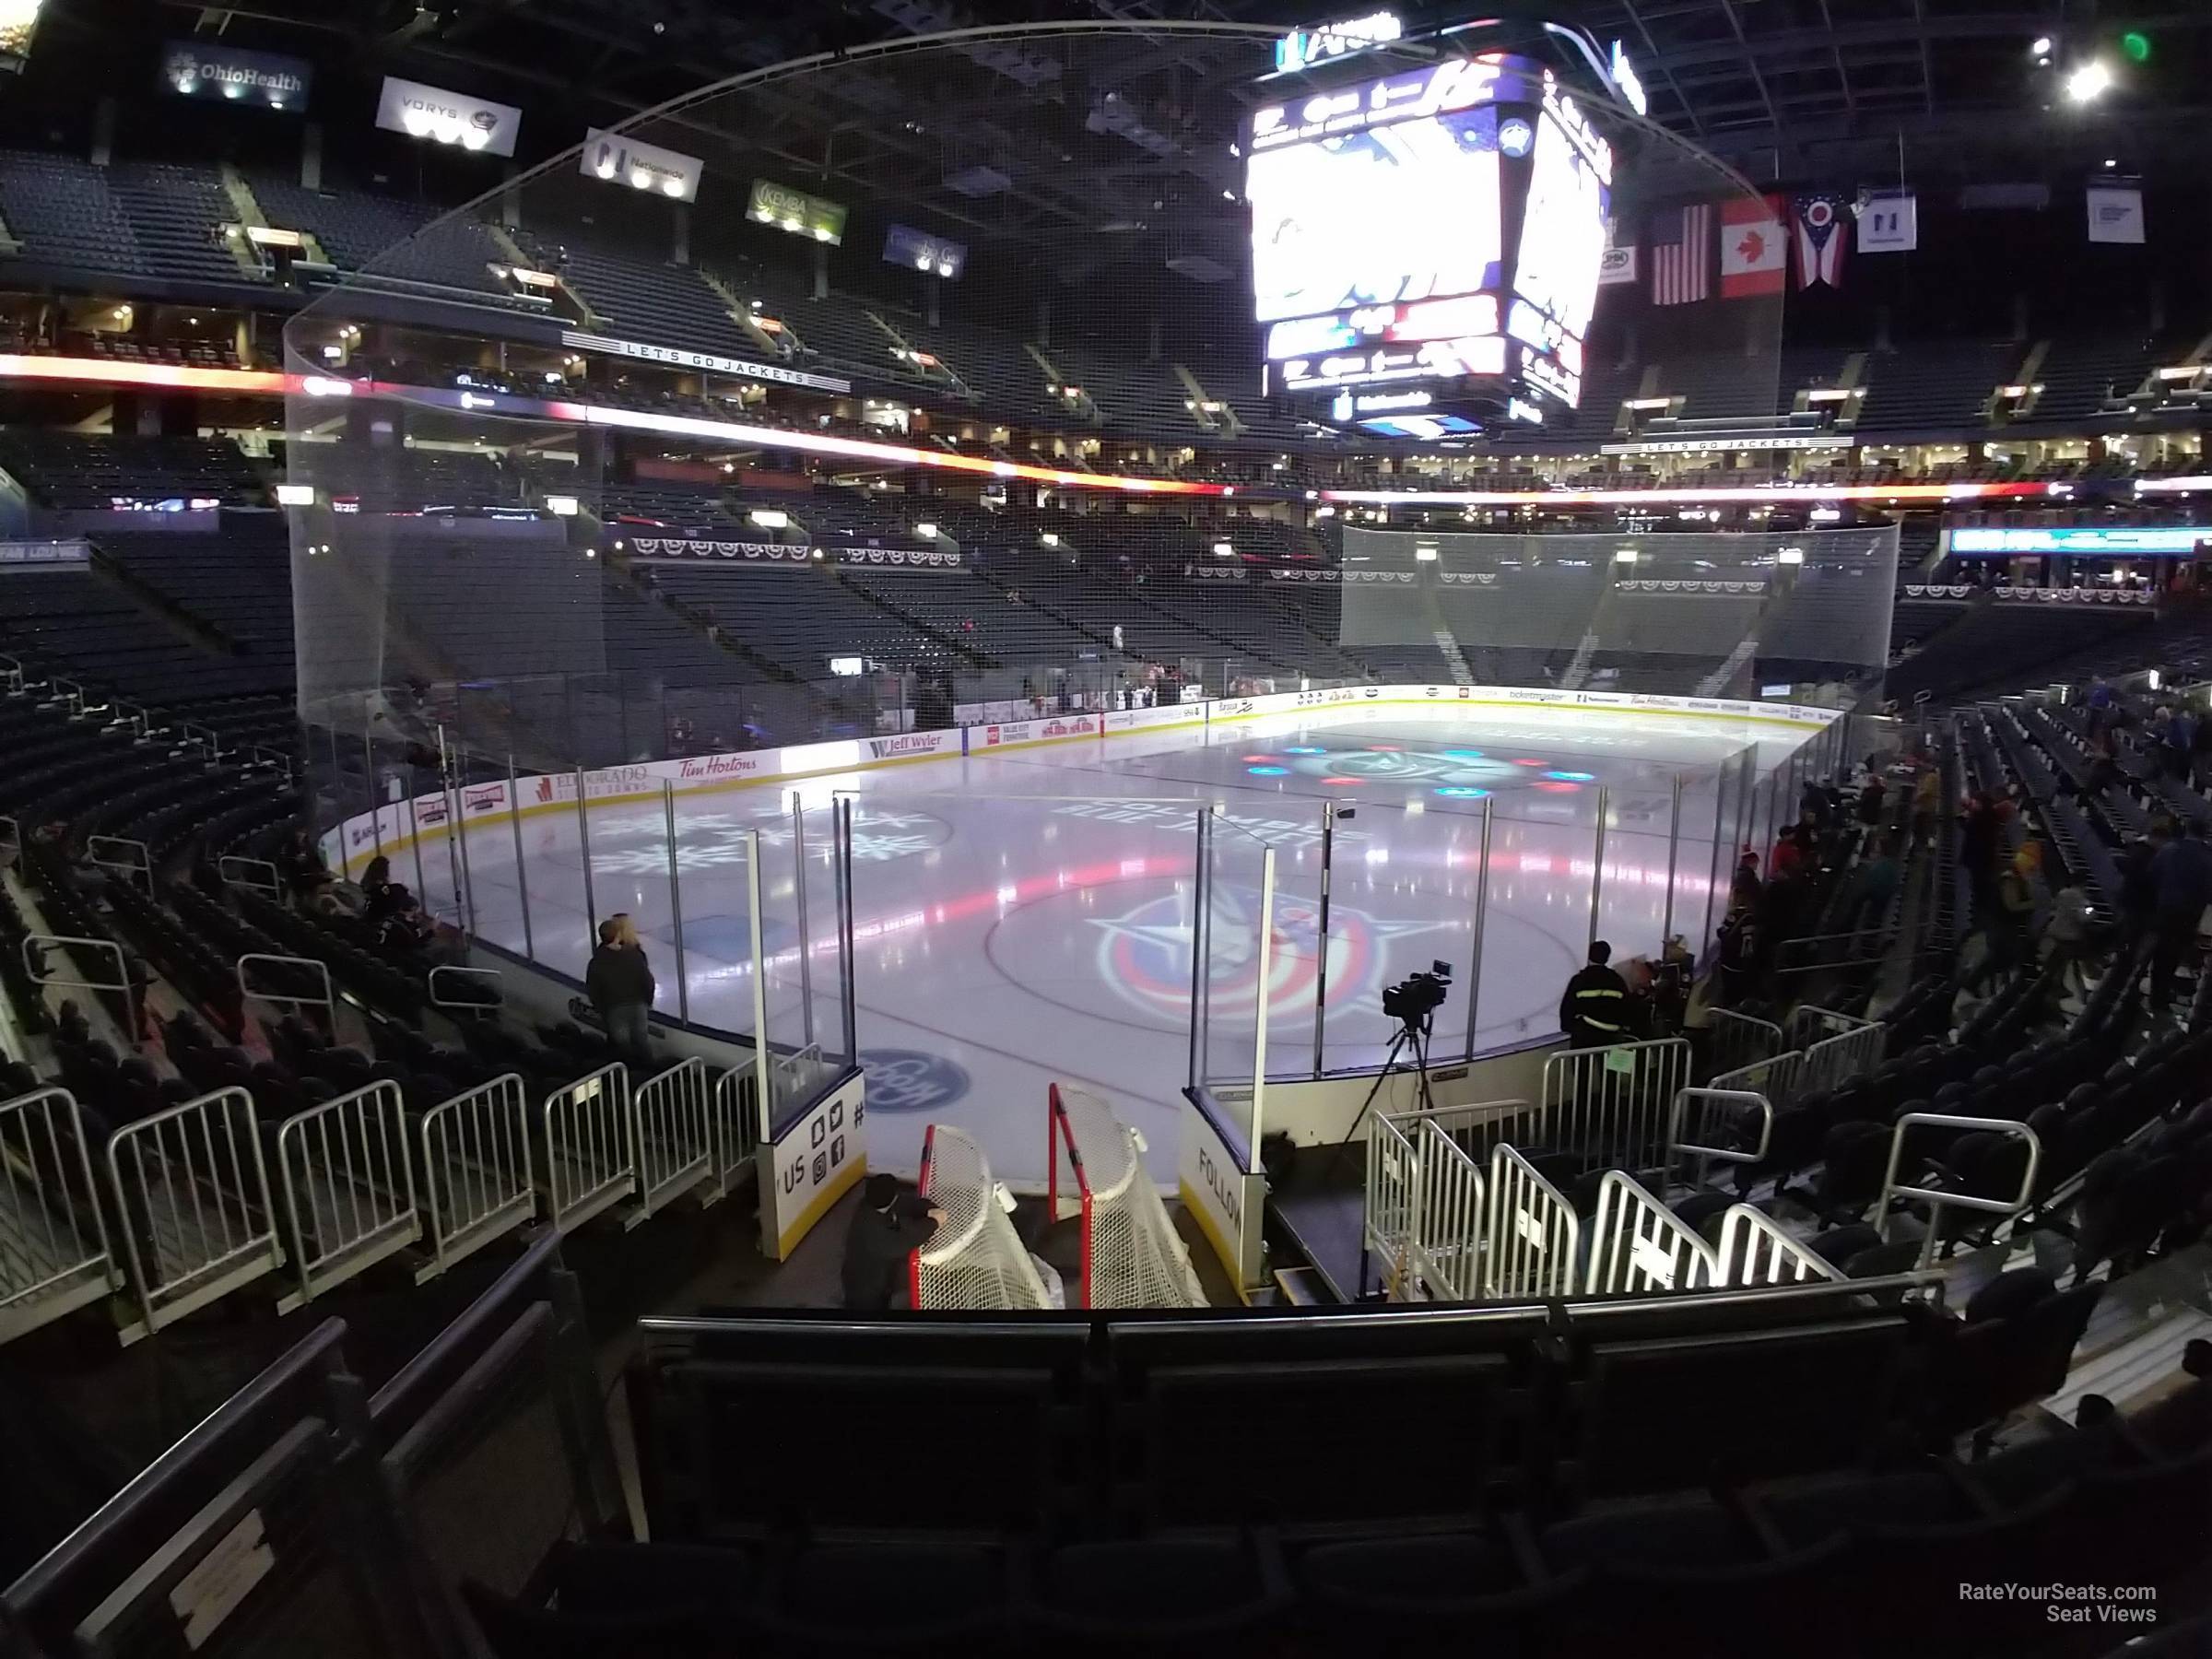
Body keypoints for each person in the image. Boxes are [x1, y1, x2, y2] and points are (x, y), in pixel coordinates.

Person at [841, 1173, 945, 1311]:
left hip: (874, 1278)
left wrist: (930, 1210)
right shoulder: (872, 1232)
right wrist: (933, 1222)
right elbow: (904, 1242)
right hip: (865, 1290)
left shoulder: (870, 1204)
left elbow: (906, 1204)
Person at [2148, 818, 2212, 1012]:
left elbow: (2152, 875)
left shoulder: (2169, 849)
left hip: (2165, 909)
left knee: (2161, 953)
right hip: (2189, 913)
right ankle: (2162, 996)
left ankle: (2156, 994)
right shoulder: (2206, 857)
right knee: (2174, 955)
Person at [586, 913, 656, 1059]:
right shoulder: (634, 956)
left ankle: (628, 1072)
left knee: (622, 1047)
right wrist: (647, 1001)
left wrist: (602, 1009)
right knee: (641, 1043)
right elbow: (648, 981)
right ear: (618, 935)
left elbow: (593, 989)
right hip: (637, 1005)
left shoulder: (597, 961)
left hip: (614, 1008)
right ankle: (646, 1070)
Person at [1559, 940, 1635, 1050]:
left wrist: (1570, 1027)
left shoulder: (1580, 980)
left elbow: (1567, 1007)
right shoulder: (1617, 980)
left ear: (1589, 955)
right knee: (1611, 1067)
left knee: (1581, 1065)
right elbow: (1627, 1005)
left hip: (1585, 1034)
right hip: (1612, 1035)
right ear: (1607, 957)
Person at [2041, 876, 2098, 1001]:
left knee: (2060, 962)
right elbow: (2084, 917)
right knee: (2075, 959)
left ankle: (2056, 985)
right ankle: (2088, 982)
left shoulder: (2062, 893)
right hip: (2069, 935)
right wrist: (2092, 911)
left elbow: (2054, 907)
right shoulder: (2079, 896)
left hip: (2056, 931)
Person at [1843, 836, 1900, 937]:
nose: (1875, 846)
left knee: (1856, 898)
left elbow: (1872, 881)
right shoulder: (1888, 861)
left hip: (1880, 893)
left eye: (1877, 845)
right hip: (1884, 890)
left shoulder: (1883, 864)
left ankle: (1848, 926)